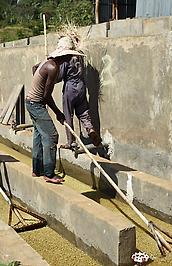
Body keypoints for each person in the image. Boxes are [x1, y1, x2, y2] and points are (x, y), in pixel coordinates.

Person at [26, 41, 84, 184]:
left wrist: (38, 80)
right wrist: (58, 113)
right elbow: (46, 96)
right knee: (51, 135)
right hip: (36, 104)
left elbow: (34, 68)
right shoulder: (53, 68)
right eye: (69, 55)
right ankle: (49, 173)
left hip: (31, 102)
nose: (71, 58)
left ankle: (36, 169)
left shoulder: (47, 62)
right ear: (64, 55)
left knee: (39, 134)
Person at [56, 37, 102, 149]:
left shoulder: (65, 59)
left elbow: (60, 76)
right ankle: (90, 129)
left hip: (70, 88)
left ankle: (70, 142)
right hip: (81, 87)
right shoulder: (79, 57)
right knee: (83, 112)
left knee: (68, 115)